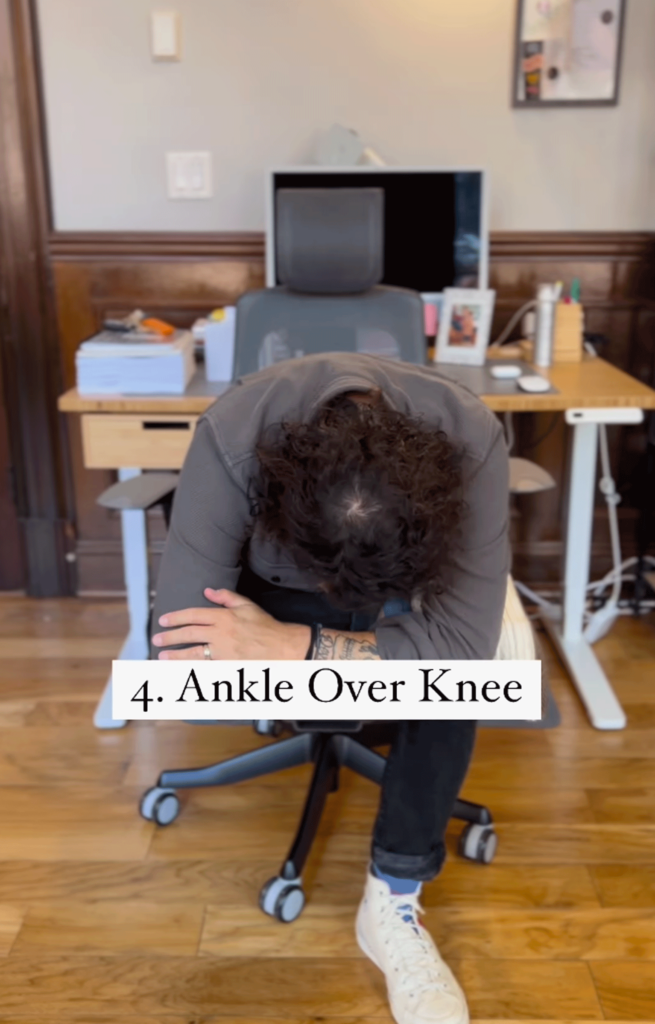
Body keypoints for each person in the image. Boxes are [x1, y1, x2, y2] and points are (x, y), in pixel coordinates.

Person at [151, 352, 510, 1024]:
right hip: (273, 599)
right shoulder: (231, 438)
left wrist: (297, 649)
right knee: (429, 676)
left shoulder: (473, 440)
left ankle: (394, 895)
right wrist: (339, 649)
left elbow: (462, 650)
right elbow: (178, 643)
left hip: (390, 602)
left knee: (454, 689)